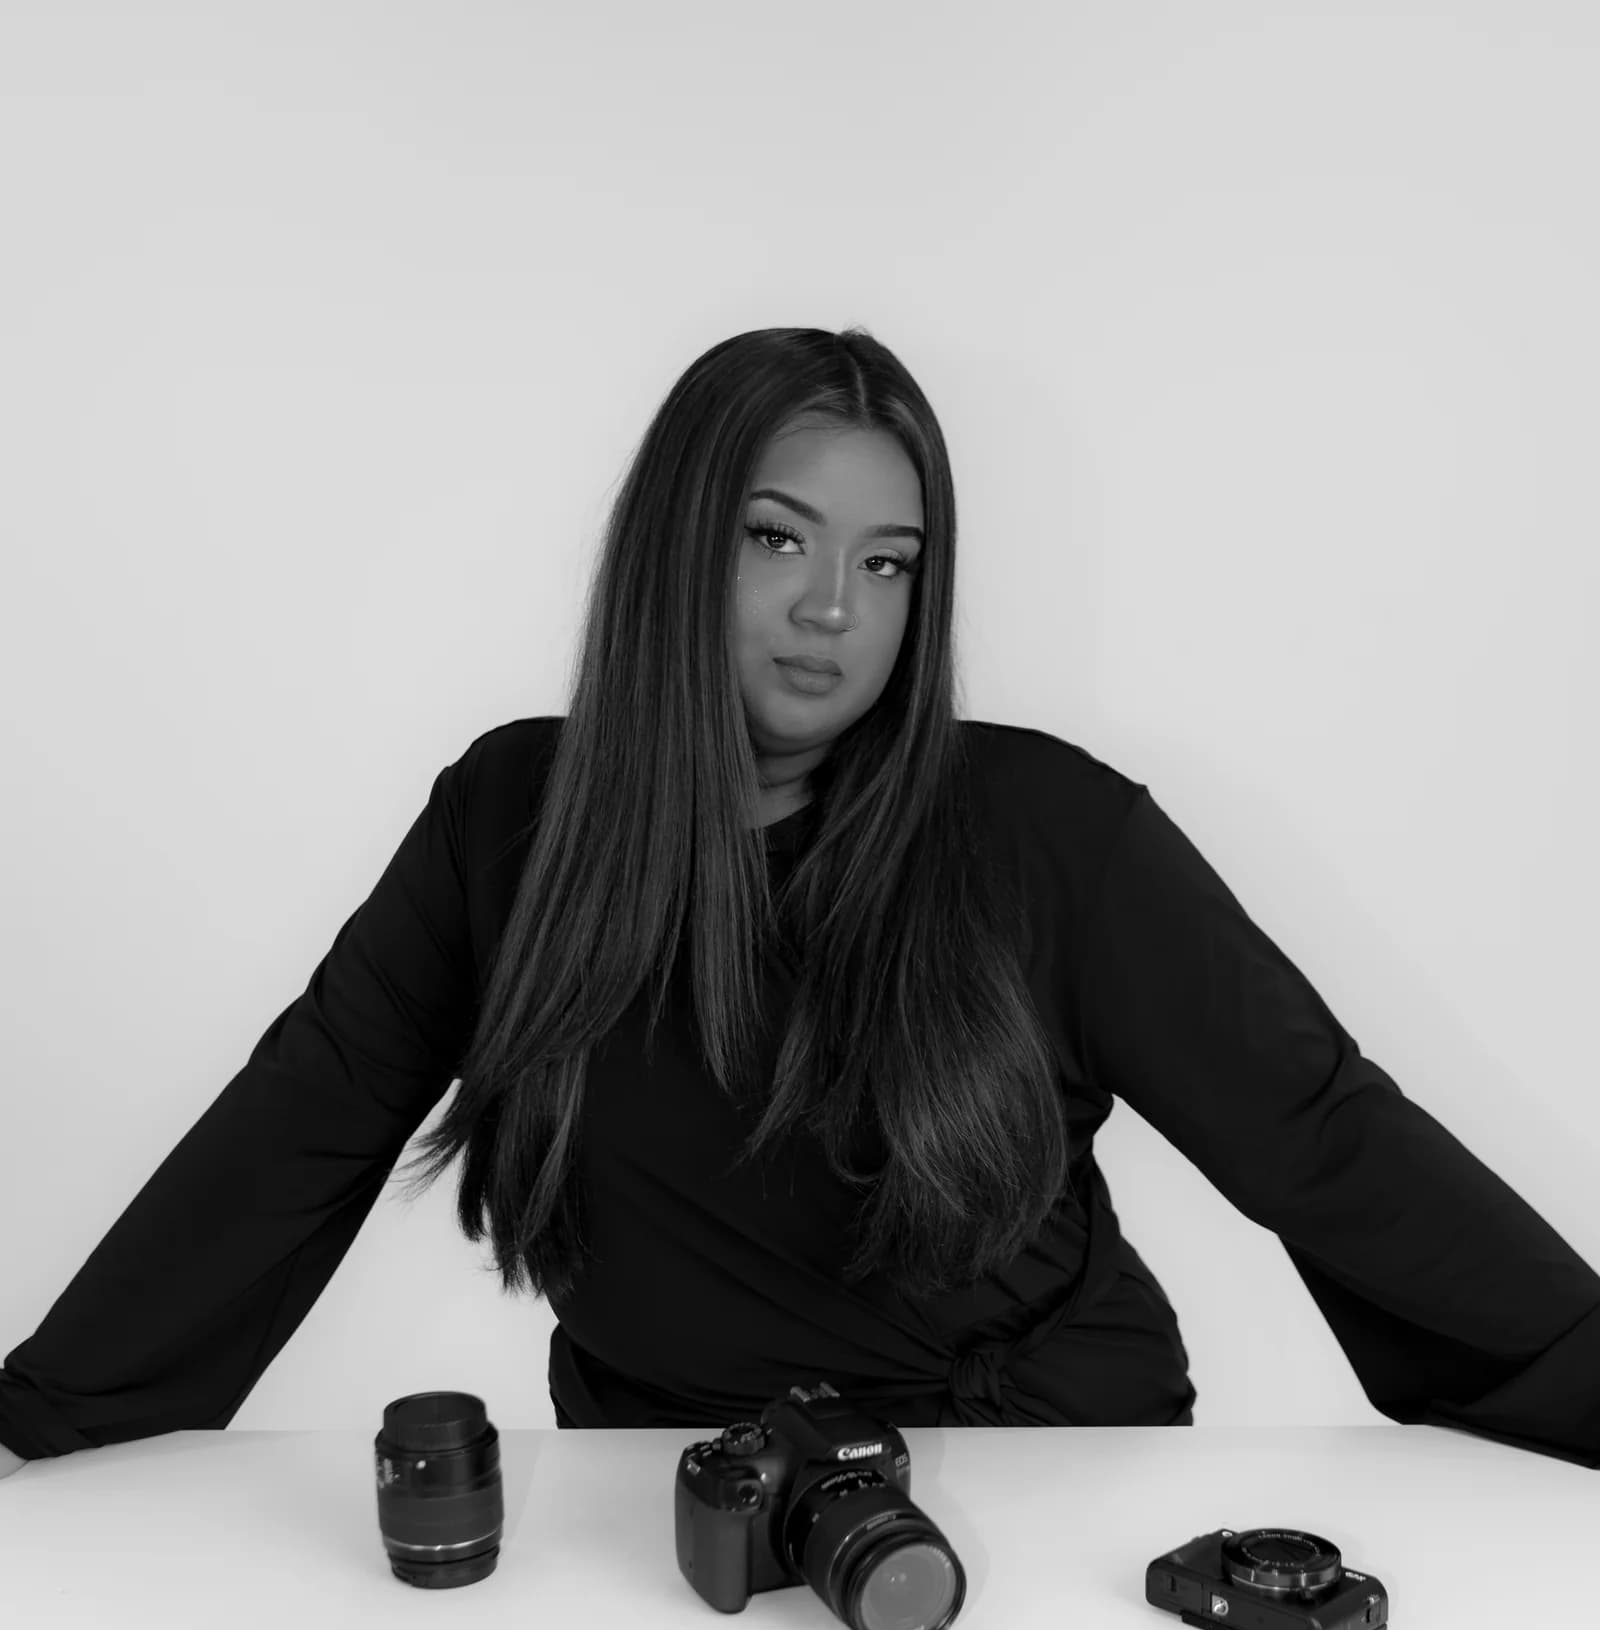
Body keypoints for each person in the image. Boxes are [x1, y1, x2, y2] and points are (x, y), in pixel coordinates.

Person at [4, 325, 1598, 1474]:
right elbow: (305, 1120)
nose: (835, 608)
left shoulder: (1048, 831)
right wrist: (45, 1427)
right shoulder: (513, 816)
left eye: (891, 563)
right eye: (780, 539)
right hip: (668, 1475)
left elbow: (1323, 1135)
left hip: (1037, 1467)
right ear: (676, 549)